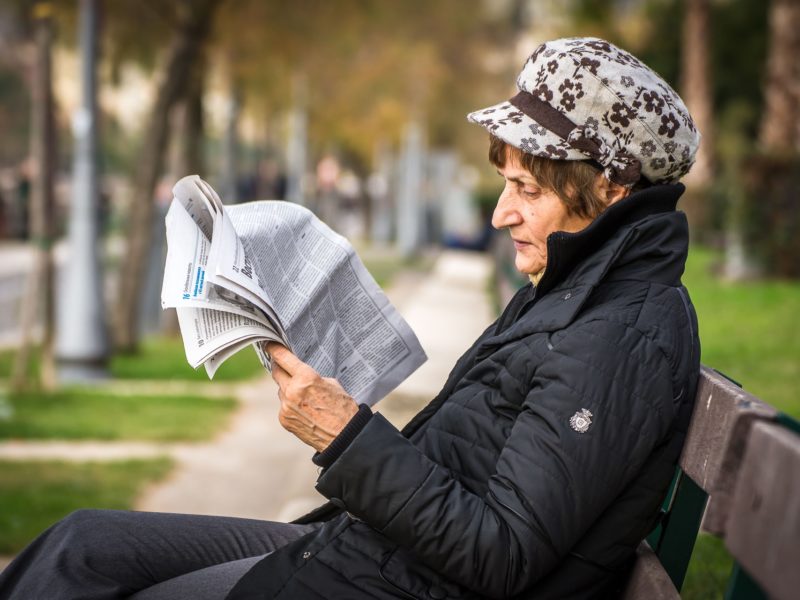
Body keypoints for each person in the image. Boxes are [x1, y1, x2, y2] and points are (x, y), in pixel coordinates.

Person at [0, 37, 701, 599]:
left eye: (527, 189)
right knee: (82, 544)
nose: (501, 214)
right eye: (504, 184)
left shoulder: (623, 333)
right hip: (378, 553)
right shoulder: (578, 289)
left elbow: (502, 553)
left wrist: (347, 436)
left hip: (399, 576)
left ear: (611, 186)